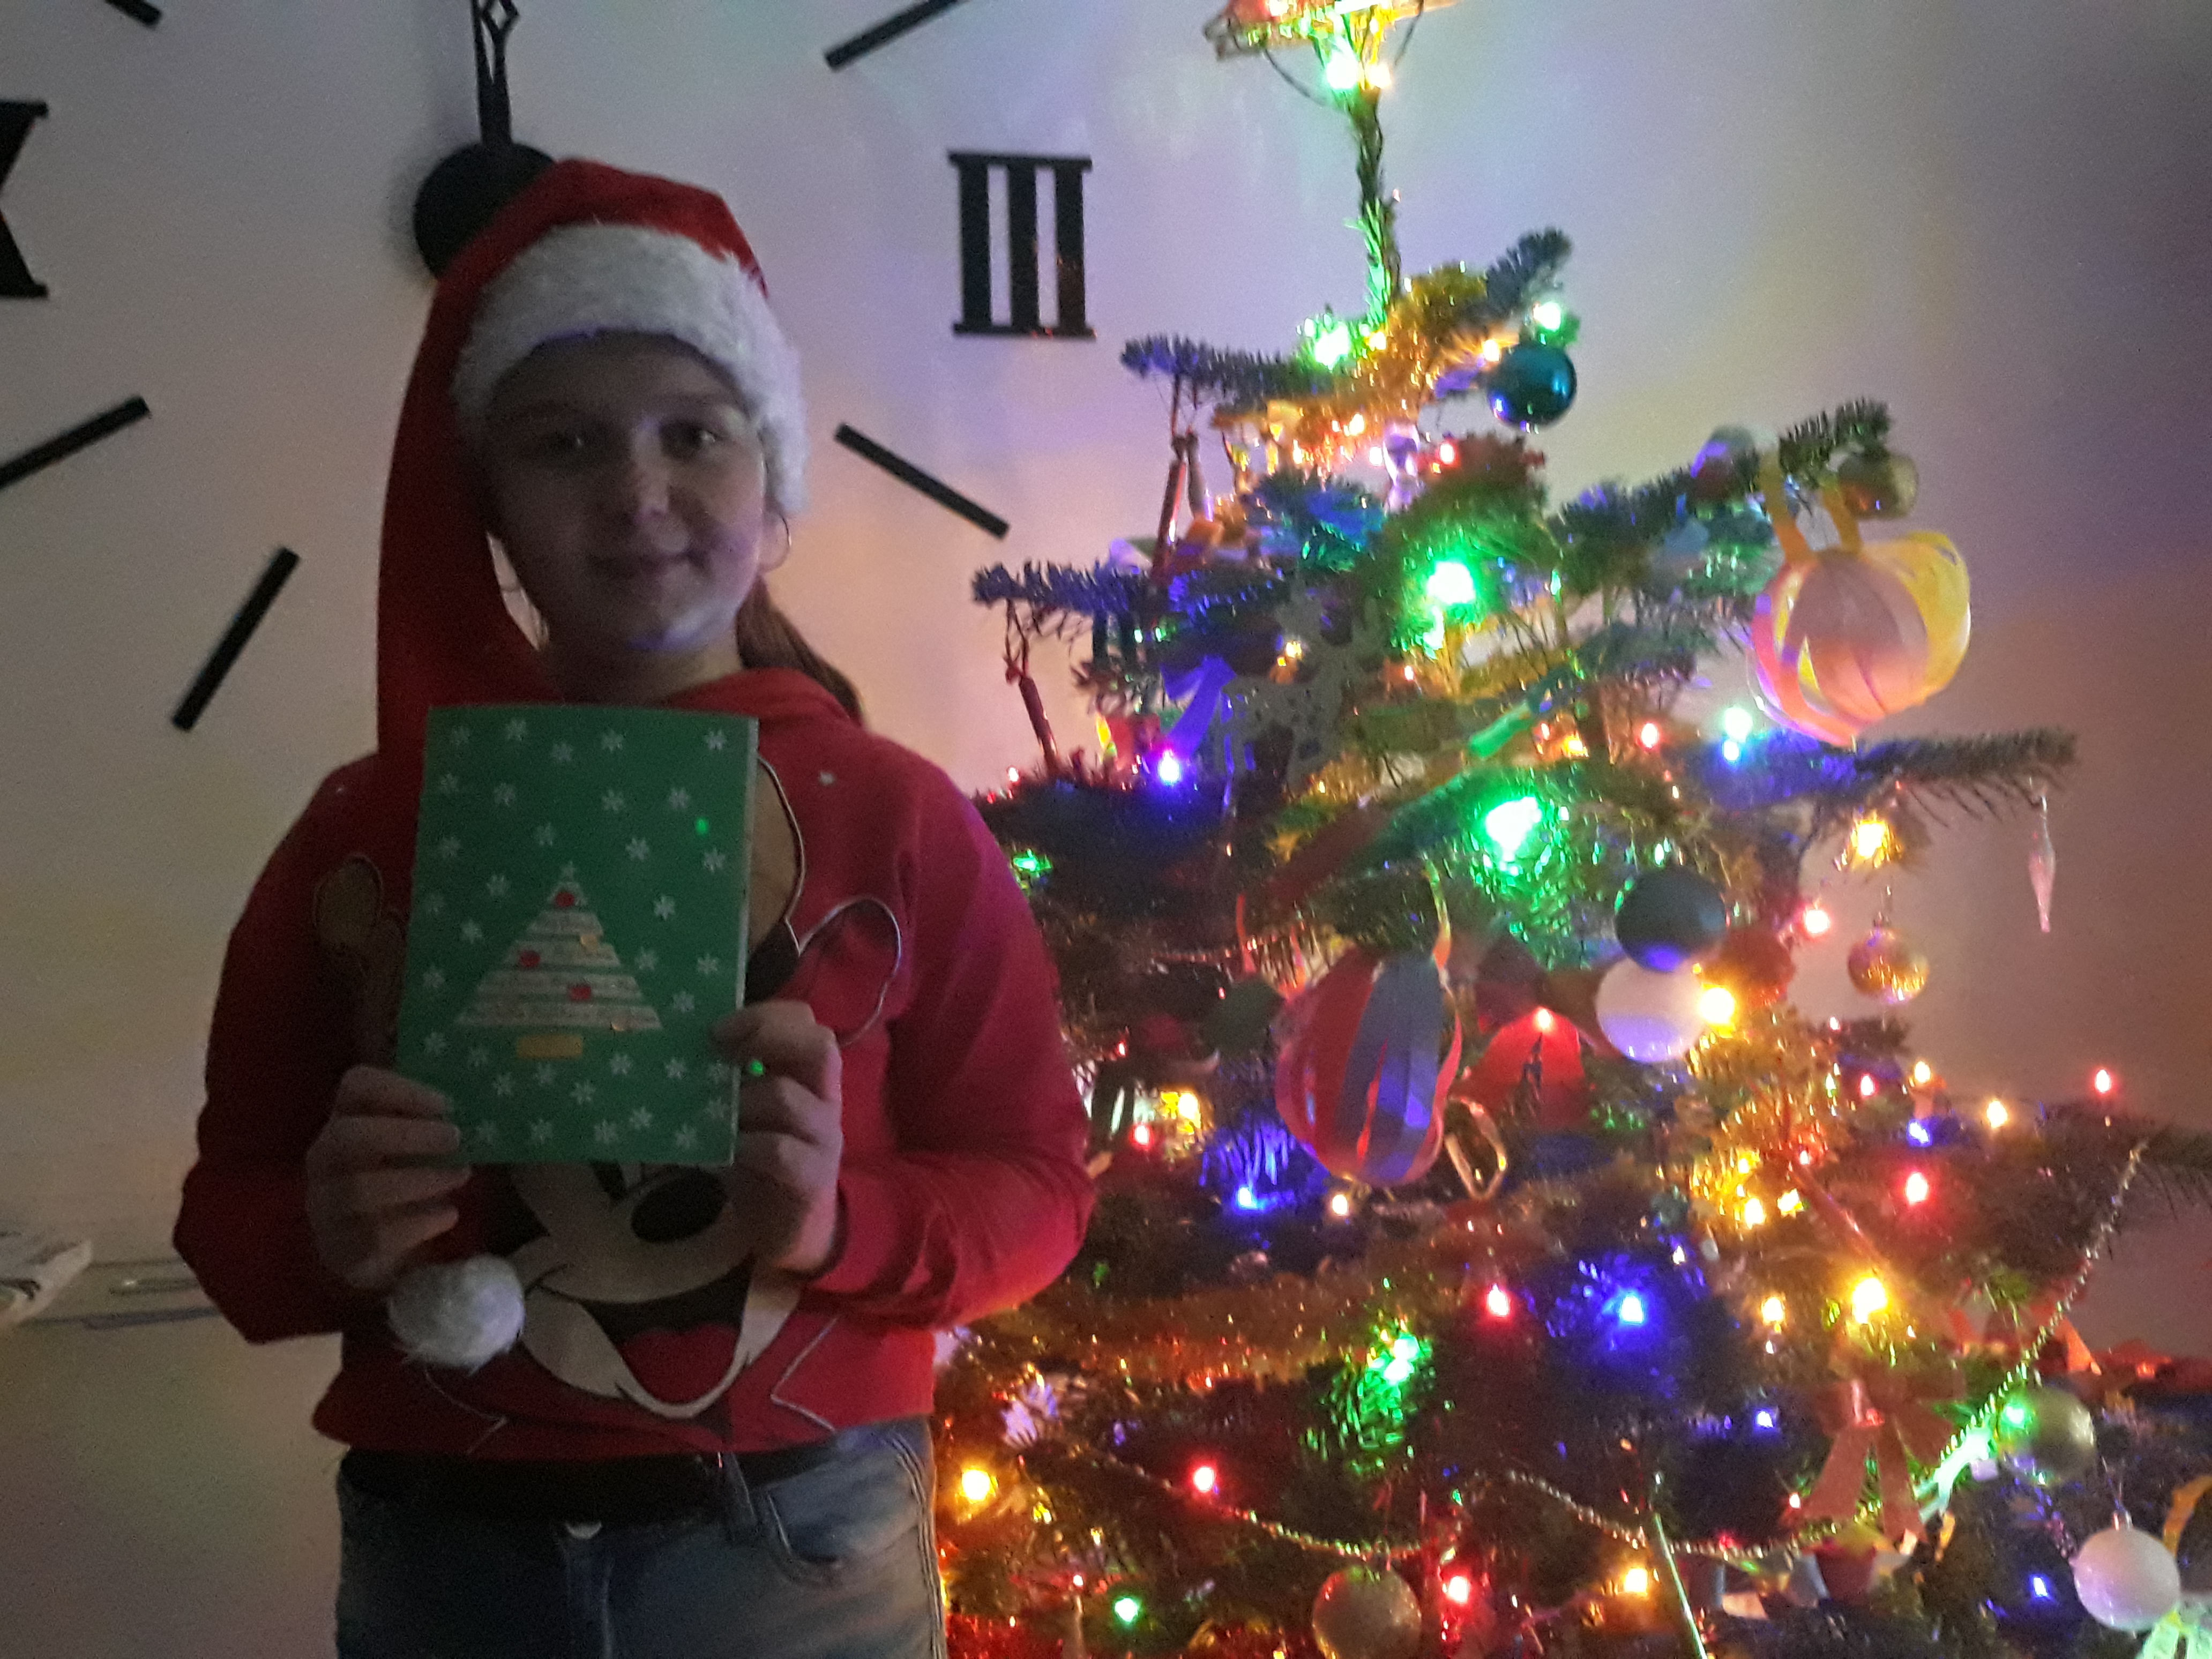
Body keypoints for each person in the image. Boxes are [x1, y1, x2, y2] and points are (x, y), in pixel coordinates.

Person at [173, 157, 1095, 1659]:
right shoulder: (370, 828)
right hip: (449, 1552)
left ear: (772, 477)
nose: (637, 494)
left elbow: (1039, 1188)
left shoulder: (898, 817)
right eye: (563, 444)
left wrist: (841, 1222)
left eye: (695, 433)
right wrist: (330, 1231)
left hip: (796, 1545)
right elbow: (230, 1221)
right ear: (487, 501)